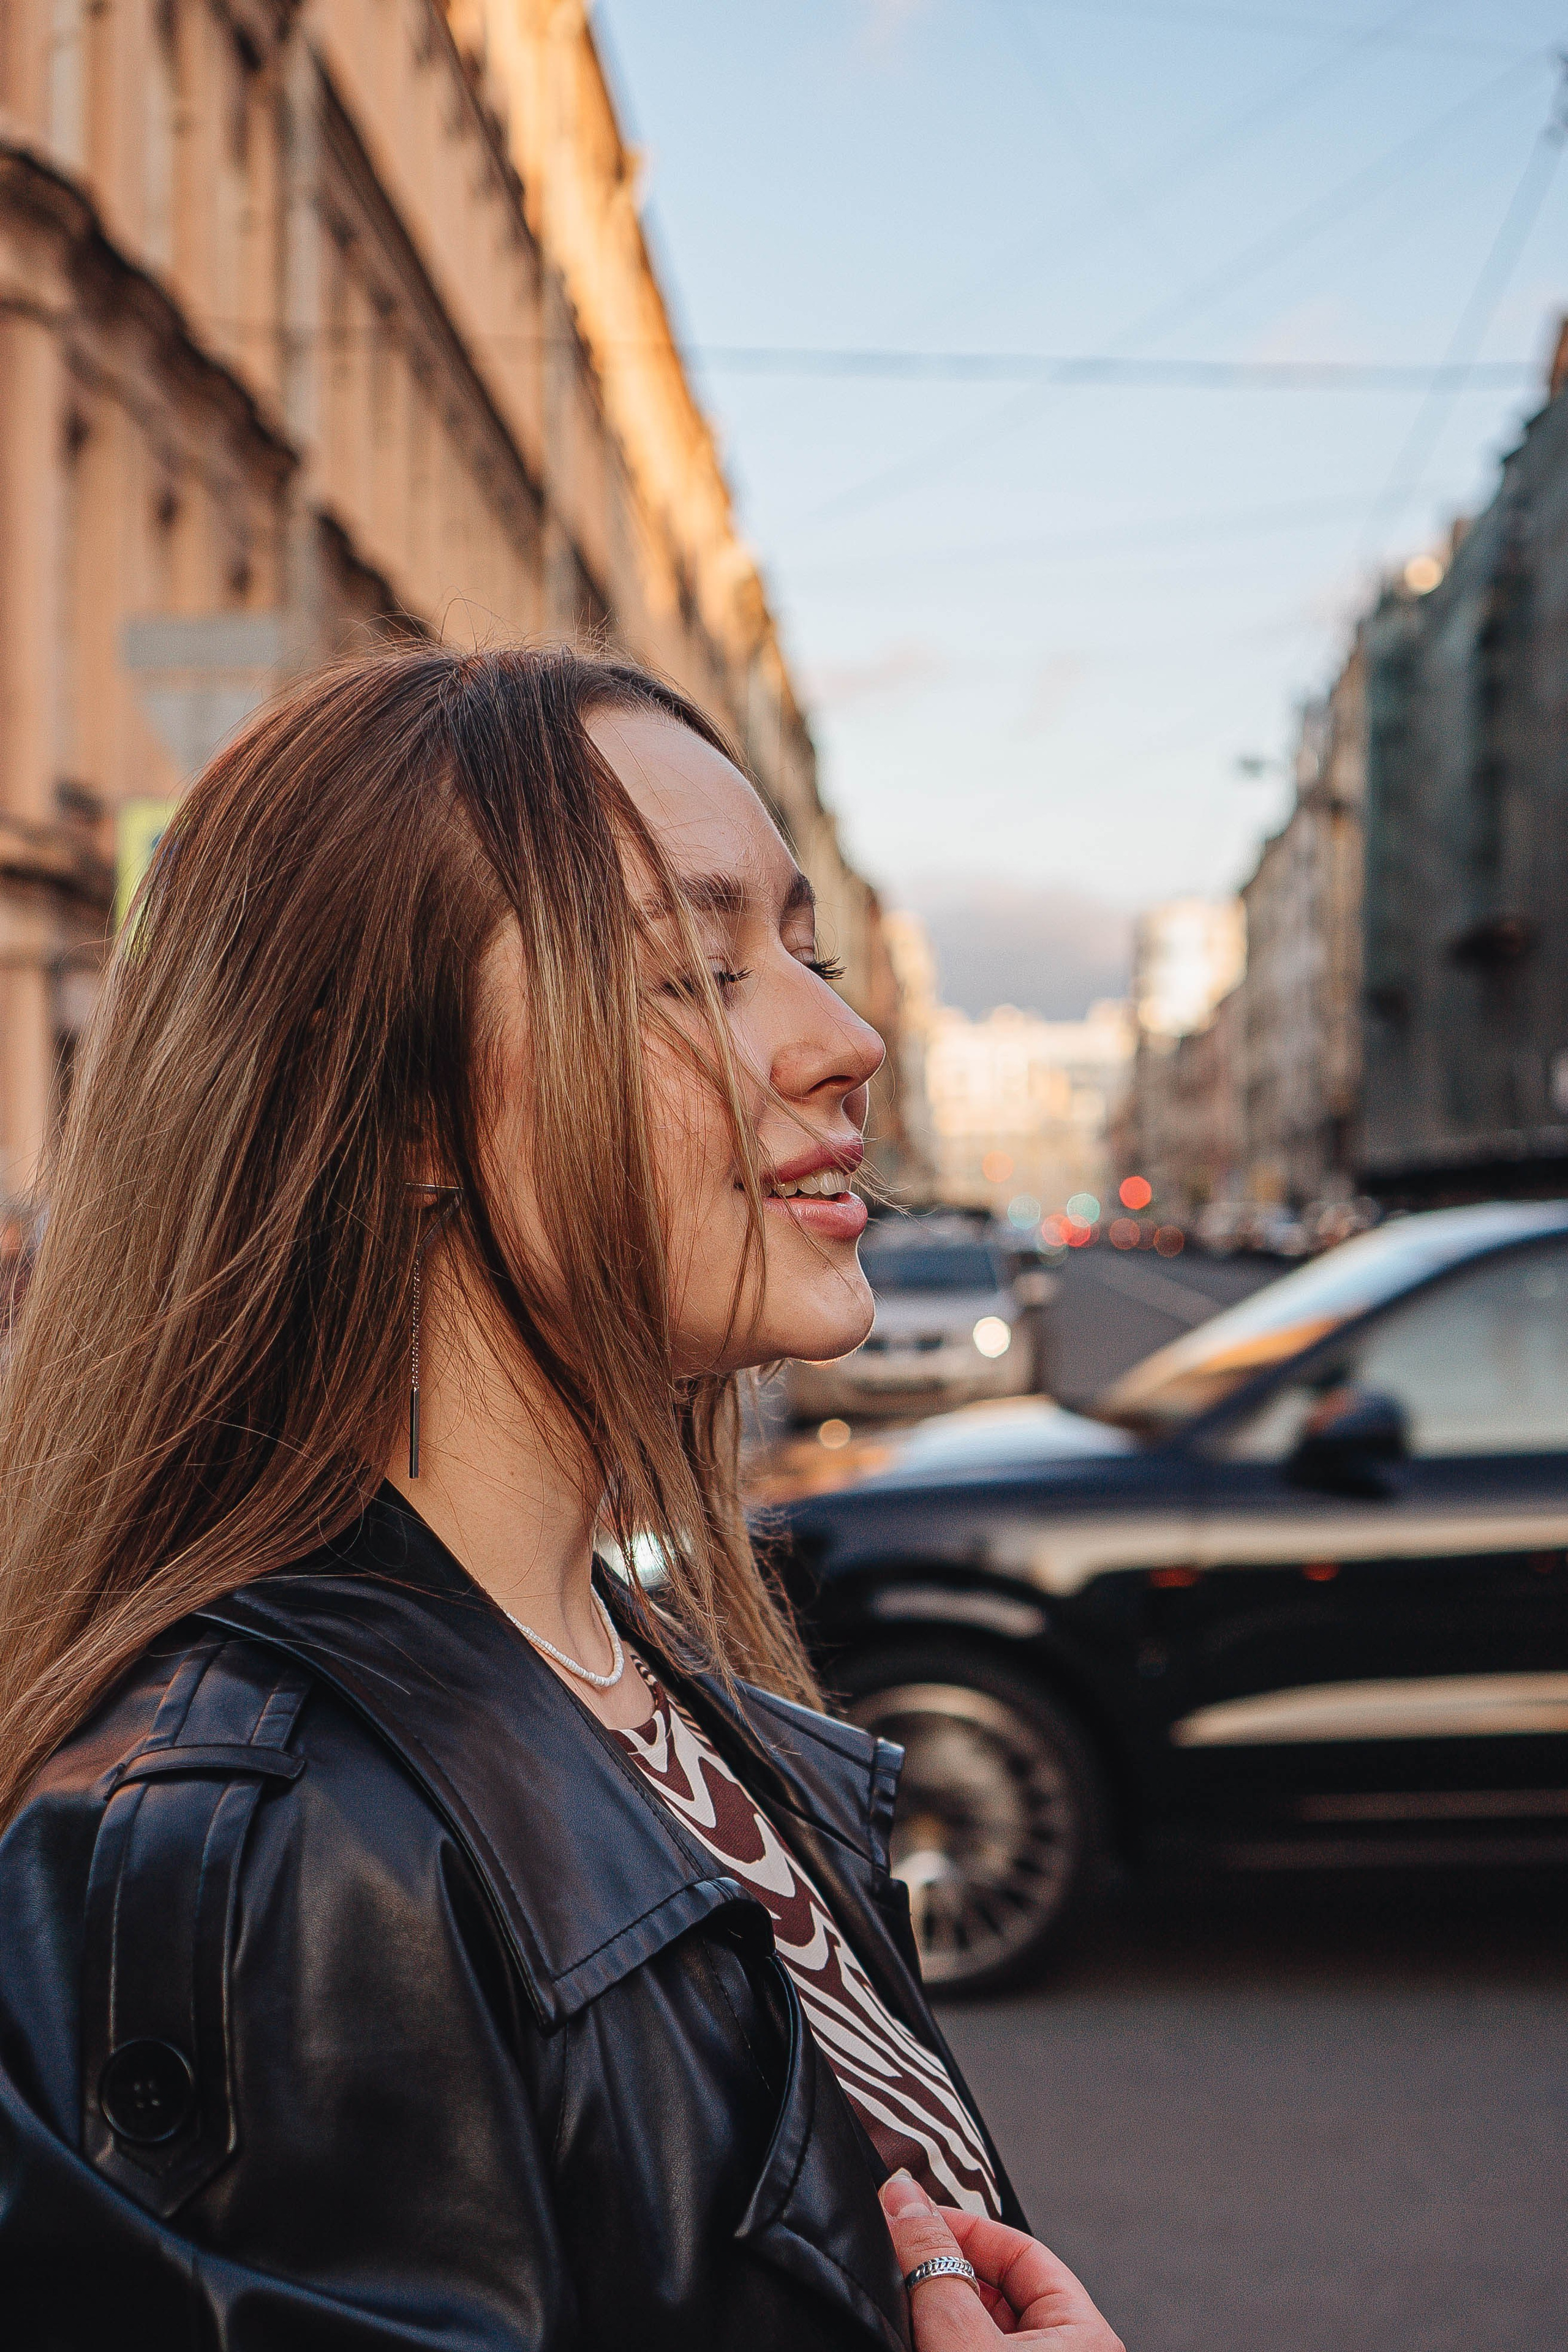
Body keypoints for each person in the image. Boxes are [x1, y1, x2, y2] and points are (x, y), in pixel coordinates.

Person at [0, 646, 1122, 2351]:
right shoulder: (270, 1852)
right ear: (402, 1100)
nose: (845, 1037)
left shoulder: (639, 1682)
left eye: (804, 953)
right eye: (697, 972)